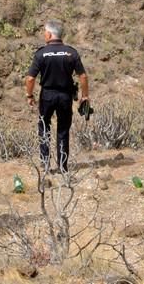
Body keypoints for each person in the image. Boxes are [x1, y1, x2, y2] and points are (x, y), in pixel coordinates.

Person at [25, 19, 89, 173]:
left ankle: (45, 164)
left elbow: (30, 78)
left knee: (44, 128)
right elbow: (83, 77)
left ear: (49, 34)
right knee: (63, 130)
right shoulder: (71, 52)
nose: (44, 35)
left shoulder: (41, 54)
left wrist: (29, 95)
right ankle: (62, 166)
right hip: (65, 96)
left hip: (47, 95)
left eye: (44, 33)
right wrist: (85, 96)